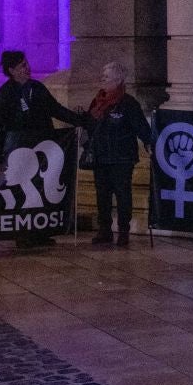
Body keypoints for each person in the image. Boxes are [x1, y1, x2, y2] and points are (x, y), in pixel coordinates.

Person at [0, 51, 85, 247]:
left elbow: (55, 110)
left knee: (39, 189)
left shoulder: (37, 88)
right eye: (22, 65)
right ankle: (23, 233)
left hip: (41, 149)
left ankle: (40, 231)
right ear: (12, 70)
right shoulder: (5, 94)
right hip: (19, 151)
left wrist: (81, 120)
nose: (27, 68)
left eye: (26, 63)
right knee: (22, 191)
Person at [85, 60, 152, 249]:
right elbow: (89, 124)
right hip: (101, 156)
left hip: (122, 158)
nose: (102, 79)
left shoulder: (128, 103)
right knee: (102, 195)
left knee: (123, 195)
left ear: (118, 80)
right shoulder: (97, 101)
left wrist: (149, 142)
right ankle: (104, 229)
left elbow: (141, 127)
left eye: (106, 77)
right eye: (102, 76)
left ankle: (123, 231)